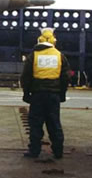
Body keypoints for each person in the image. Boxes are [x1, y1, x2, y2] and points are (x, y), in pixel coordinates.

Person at [20, 28, 70, 159]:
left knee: (35, 123)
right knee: (54, 122)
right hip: (54, 95)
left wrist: (26, 93)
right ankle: (58, 151)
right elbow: (65, 77)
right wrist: (62, 94)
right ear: (54, 40)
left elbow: (26, 76)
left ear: (40, 39)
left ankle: (34, 151)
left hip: (37, 95)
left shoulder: (34, 56)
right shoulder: (60, 56)